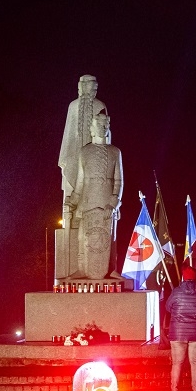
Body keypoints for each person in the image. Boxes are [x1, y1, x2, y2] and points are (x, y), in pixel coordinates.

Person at [65, 113, 123, 279]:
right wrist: (72, 201)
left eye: (106, 125)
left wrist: (113, 203)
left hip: (107, 204)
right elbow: (80, 181)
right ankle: (82, 269)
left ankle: (111, 269)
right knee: (83, 237)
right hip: (87, 201)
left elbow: (119, 181)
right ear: (92, 127)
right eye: (99, 124)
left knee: (110, 238)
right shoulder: (85, 151)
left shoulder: (115, 152)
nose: (103, 127)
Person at [59, 74, 107, 208]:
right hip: (73, 153)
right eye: (92, 88)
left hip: (93, 155)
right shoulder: (73, 106)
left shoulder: (100, 105)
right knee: (71, 185)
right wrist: (65, 158)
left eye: (96, 89)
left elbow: (105, 132)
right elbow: (68, 134)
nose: (94, 92)